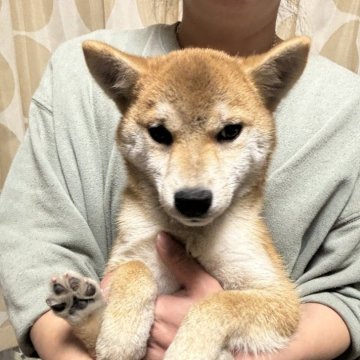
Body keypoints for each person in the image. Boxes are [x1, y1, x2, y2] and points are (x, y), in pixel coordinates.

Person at [0, 0, 359, 359]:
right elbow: (30, 242)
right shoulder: (71, 77)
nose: (192, 180)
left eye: (228, 131)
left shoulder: (347, 109)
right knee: (130, 279)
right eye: (161, 133)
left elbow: (314, 304)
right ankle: (91, 320)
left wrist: (214, 319)